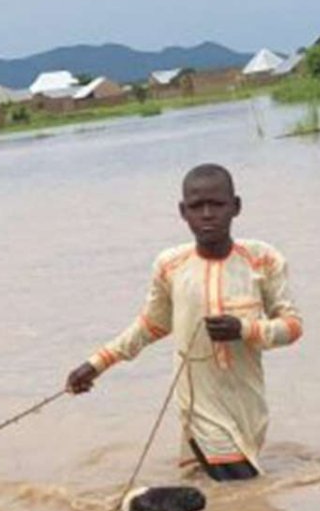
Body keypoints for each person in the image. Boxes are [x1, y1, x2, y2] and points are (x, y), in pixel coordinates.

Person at [64, 164, 303, 482]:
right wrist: (96, 364)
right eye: (196, 207)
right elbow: (151, 326)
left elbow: (292, 326)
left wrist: (246, 329)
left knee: (230, 494)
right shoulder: (171, 266)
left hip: (248, 402)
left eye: (217, 205)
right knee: (240, 484)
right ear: (183, 212)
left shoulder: (264, 259)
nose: (207, 214)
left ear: (236, 207)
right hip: (199, 404)